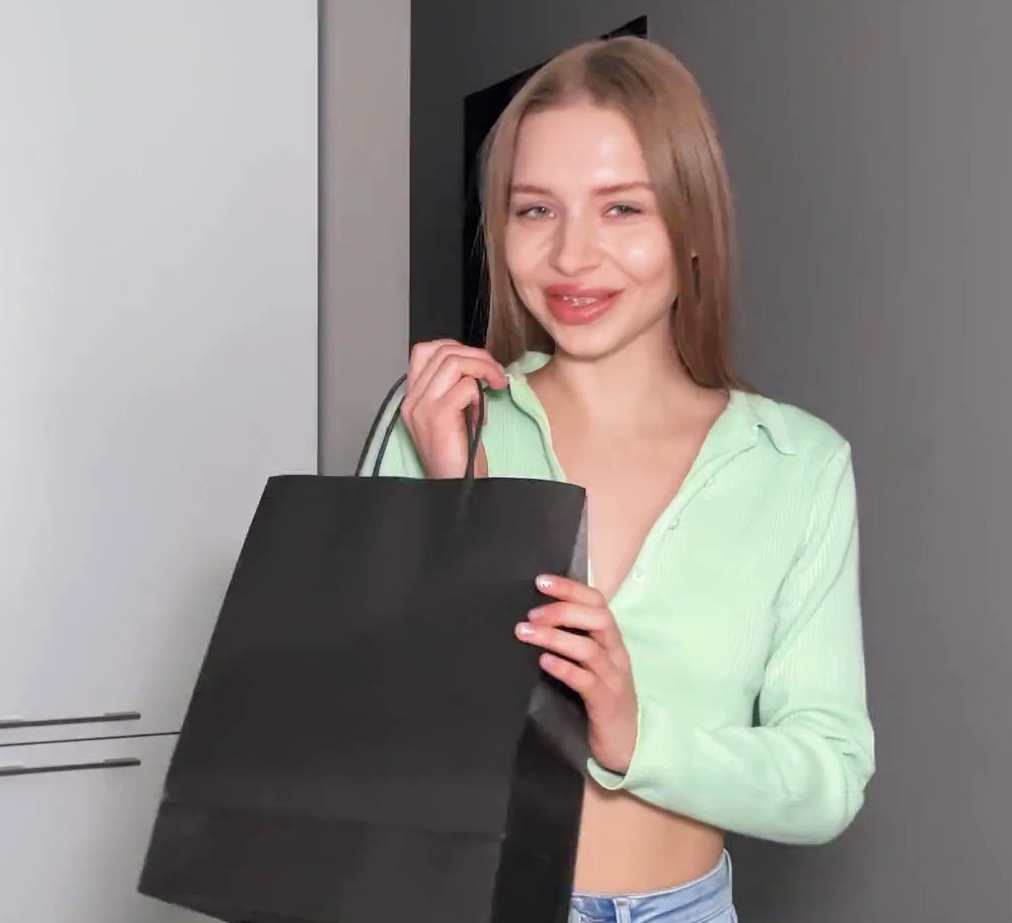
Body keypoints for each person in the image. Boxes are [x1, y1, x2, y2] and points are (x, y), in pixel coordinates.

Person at [365, 35, 874, 923]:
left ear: (691, 224)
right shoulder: (438, 424)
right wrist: (465, 509)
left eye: (621, 208)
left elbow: (828, 779)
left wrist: (635, 733)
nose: (571, 256)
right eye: (535, 209)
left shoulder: (797, 464)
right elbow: (366, 728)